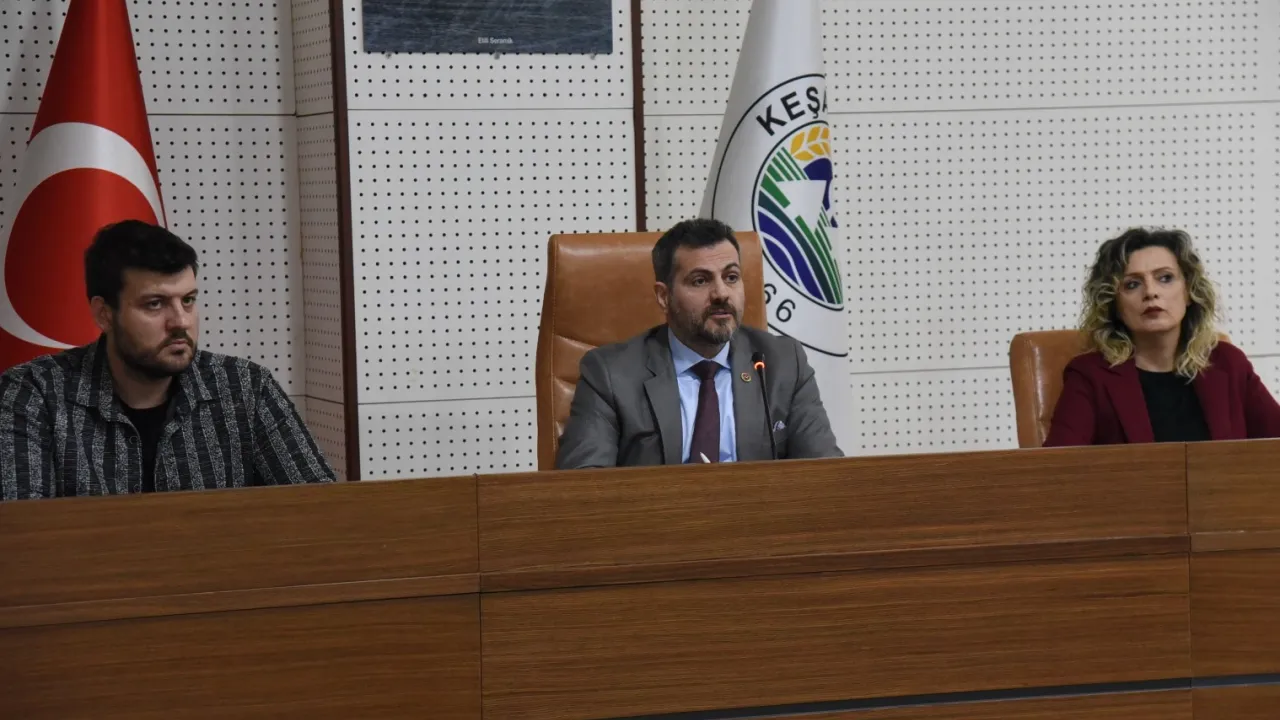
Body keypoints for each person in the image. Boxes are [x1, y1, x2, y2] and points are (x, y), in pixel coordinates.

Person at [0, 220, 336, 500]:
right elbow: (20, 534)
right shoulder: (35, 394)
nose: (181, 322)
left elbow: (322, 510)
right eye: (155, 304)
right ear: (104, 314)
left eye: (188, 300)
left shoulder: (245, 388)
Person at [556, 218, 842, 468]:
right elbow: (585, 487)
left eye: (731, 277)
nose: (721, 293)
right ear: (664, 297)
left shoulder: (782, 363)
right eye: (700, 281)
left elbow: (825, 474)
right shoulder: (610, 374)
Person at [1044, 227, 1280, 446]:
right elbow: (1057, 467)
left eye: (1165, 278)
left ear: (1189, 292)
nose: (1151, 292)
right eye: (1132, 284)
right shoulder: (1090, 375)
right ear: (1114, 304)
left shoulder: (1228, 363)